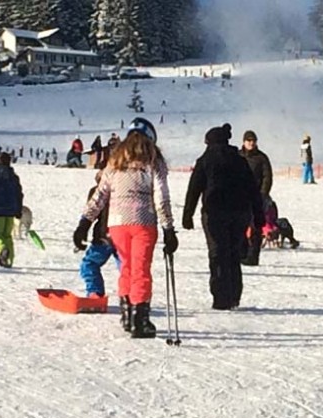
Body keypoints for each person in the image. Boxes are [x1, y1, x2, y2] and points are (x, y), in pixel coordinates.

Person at [73, 117, 176, 338]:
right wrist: (168, 228)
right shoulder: (153, 161)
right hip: (143, 222)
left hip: (117, 224)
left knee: (128, 268)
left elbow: (100, 195)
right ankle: (140, 320)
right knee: (140, 270)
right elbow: (161, 197)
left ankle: (127, 315)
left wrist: (84, 223)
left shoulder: (115, 161)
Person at [184, 125, 265, 310]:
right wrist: (258, 217)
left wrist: (187, 215)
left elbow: (194, 189)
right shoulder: (240, 160)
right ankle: (234, 296)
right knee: (233, 254)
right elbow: (253, 191)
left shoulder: (205, 160)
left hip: (214, 214)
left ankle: (221, 298)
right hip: (240, 214)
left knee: (217, 254)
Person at [75, 170, 117, 296]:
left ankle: (95, 292)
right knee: (128, 269)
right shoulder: (129, 188)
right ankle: (135, 298)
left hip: (104, 237)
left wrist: (83, 229)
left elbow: (91, 213)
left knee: (90, 264)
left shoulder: (97, 191)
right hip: (121, 235)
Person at [240, 129, 273, 266]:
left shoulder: (261, 158)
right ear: (244, 142)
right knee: (240, 226)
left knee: (255, 227)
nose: (251, 143)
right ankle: (242, 254)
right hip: (240, 196)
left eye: (253, 141)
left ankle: (253, 257)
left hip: (257, 197)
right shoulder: (238, 156)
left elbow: (267, 177)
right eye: (249, 141)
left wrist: (263, 194)